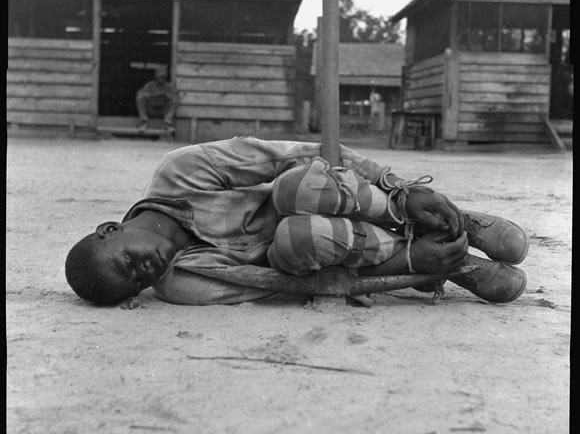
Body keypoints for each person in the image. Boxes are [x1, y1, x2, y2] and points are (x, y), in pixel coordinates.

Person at [65, 136, 529, 307]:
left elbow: (303, 154)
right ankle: (450, 260)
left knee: (292, 188)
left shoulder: (180, 170)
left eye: (127, 262)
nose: (143, 276)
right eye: (133, 288)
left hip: (354, 199)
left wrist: (405, 189)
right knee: (294, 238)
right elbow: (289, 286)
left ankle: (445, 220)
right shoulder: (180, 282)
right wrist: (414, 268)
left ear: (111, 229)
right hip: (339, 246)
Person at [135, 65, 178, 132]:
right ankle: (143, 122)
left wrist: (168, 96)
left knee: (175, 98)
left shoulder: (169, 86)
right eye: (160, 77)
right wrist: (149, 95)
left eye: (163, 77)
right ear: (156, 76)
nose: (161, 78)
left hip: (163, 111)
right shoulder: (149, 85)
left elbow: (174, 95)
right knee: (139, 97)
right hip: (151, 110)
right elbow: (141, 93)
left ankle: (167, 123)